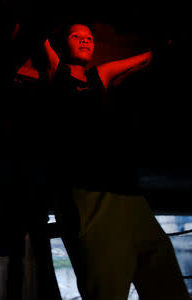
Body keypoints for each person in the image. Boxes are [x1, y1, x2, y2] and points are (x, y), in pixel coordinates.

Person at [36, 20, 190, 300]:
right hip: (88, 193)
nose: (85, 41)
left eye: (90, 37)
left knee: (164, 277)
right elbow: (36, 36)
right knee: (106, 285)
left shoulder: (99, 76)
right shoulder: (56, 74)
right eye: (76, 36)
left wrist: (168, 45)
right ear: (62, 44)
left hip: (127, 192)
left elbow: (144, 59)